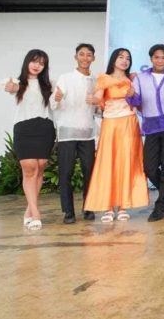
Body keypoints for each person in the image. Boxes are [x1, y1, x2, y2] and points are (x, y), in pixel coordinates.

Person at [85, 48, 149, 222]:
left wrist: (133, 95)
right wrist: (93, 100)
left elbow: (139, 102)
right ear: (114, 59)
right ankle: (107, 206)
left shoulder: (132, 79)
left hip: (129, 123)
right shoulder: (104, 78)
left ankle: (123, 206)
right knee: (108, 162)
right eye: (121, 57)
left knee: (127, 162)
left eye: (128, 58)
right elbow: (98, 98)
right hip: (110, 124)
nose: (124, 61)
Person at [4, 49, 55, 231]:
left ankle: (28, 211)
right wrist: (10, 87)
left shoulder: (49, 84)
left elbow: (57, 102)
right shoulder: (18, 82)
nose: (37, 65)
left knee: (40, 167)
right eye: (34, 61)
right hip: (24, 128)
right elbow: (11, 88)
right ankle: (36, 213)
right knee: (29, 169)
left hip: (45, 128)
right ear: (27, 62)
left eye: (41, 63)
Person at [127, 44, 164, 222]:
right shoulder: (140, 78)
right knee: (149, 167)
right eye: (156, 57)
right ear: (151, 59)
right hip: (151, 127)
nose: (160, 60)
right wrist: (131, 94)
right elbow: (135, 100)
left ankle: (161, 205)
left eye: (163, 58)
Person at [50, 43, 98, 224]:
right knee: (66, 172)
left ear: (93, 58)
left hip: (87, 133)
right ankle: (68, 212)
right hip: (68, 132)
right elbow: (54, 104)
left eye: (89, 55)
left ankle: (88, 208)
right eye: (82, 54)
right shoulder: (65, 78)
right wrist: (57, 98)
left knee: (89, 172)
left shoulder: (95, 80)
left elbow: (97, 109)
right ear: (75, 57)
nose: (85, 58)